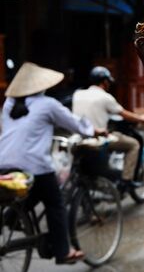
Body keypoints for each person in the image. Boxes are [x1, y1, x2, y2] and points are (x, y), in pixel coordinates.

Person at [0, 62, 104, 264]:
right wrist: (95, 130)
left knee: (33, 192)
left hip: (5, 162)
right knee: (55, 203)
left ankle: (13, 217)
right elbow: (75, 124)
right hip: (34, 165)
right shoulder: (47, 104)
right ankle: (63, 251)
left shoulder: (9, 104)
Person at [72, 66, 144, 190]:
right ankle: (126, 180)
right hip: (98, 138)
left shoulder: (78, 94)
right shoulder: (105, 97)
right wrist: (142, 118)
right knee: (134, 144)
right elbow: (124, 114)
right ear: (105, 81)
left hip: (79, 138)